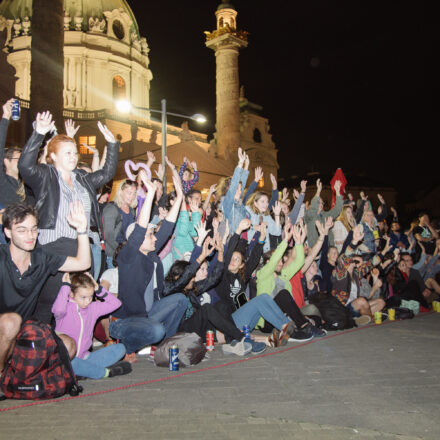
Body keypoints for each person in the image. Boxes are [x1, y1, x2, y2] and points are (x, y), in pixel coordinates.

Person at [18, 111, 119, 323]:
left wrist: (112, 144)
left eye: (75, 153)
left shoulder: (81, 177)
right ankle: (40, 345)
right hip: (54, 246)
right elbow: (25, 167)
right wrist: (38, 133)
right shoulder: (45, 175)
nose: (73, 157)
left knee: (78, 304)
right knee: (51, 302)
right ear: (53, 156)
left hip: (82, 245)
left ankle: (72, 349)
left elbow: (107, 173)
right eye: (67, 153)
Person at [0, 201, 91, 373]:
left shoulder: (41, 258)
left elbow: (83, 262)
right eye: (22, 230)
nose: (30, 235)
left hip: (22, 334)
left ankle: (20, 372)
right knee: (10, 321)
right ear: (7, 232)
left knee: (69, 345)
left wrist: (82, 230)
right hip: (3, 330)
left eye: (34, 229)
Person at [109, 166, 188, 362]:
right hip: (126, 321)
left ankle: (162, 347)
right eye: (150, 235)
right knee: (156, 330)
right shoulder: (128, 256)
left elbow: (168, 227)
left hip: (147, 313)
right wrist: (151, 192)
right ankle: (125, 346)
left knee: (180, 299)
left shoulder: (150, 254)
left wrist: (179, 197)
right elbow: (140, 230)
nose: (154, 238)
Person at [52, 272, 131, 379]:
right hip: (67, 359)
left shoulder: (93, 308)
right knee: (71, 363)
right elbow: (57, 309)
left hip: (85, 357)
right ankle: (105, 372)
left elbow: (116, 304)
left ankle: (84, 371)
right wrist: (65, 287)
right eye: (83, 297)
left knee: (120, 348)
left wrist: (99, 289)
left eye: (90, 297)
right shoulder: (65, 308)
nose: (87, 301)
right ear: (71, 294)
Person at [255, 221, 327, 340]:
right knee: (283, 294)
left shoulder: (283, 275)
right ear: (268, 263)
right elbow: (274, 260)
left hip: (283, 316)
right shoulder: (262, 275)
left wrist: (298, 243)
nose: (280, 263)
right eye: (278, 260)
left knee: (316, 318)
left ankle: (297, 327)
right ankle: (303, 326)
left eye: (281, 261)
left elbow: (299, 262)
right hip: (268, 320)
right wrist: (285, 240)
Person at [0, 98, 33, 208]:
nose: (22, 162)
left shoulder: (26, 186)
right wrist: (5, 118)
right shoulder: (2, 182)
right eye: (18, 159)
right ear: (6, 162)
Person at [102, 179, 138, 269]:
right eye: (129, 193)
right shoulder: (111, 209)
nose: (132, 196)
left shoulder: (132, 211)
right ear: (121, 192)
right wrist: (121, 251)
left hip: (127, 253)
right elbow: (108, 236)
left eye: (134, 193)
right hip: (114, 254)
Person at [304, 178, 343, 247]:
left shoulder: (325, 215)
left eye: (322, 203)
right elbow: (313, 207)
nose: (321, 204)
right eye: (319, 202)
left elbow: (337, 210)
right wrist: (318, 191)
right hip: (315, 250)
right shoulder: (309, 215)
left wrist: (337, 192)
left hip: (328, 248)